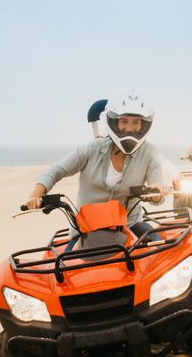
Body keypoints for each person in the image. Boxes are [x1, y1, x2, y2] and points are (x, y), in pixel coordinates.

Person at [24, 90, 168, 244]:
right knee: (66, 265)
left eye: (136, 122)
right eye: (124, 121)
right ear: (115, 122)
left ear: (144, 125)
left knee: (158, 246)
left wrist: (157, 191)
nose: (129, 128)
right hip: (87, 229)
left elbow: (157, 194)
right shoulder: (92, 149)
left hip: (129, 224)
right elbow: (56, 170)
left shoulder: (149, 153)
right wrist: (35, 196)